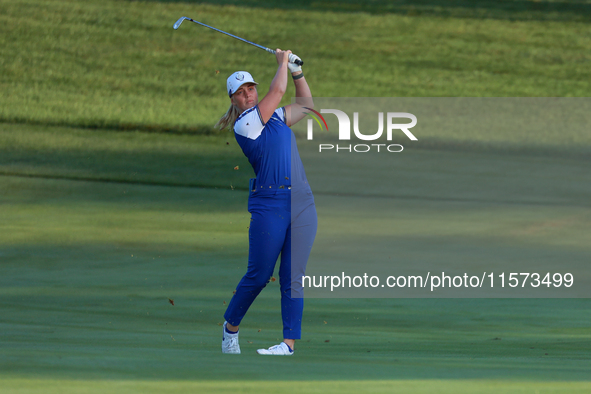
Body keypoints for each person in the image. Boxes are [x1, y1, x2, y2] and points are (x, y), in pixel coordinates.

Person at [215, 49, 317, 355]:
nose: (247, 95)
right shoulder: (245, 124)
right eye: (240, 92)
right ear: (233, 100)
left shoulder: (274, 117)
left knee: (292, 276)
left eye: (250, 89)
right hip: (269, 204)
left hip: (302, 202)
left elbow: (306, 106)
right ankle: (230, 328)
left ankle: (288, 344)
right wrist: (283, 61)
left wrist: (298, 72)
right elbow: (279, 90)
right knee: (259, 274)